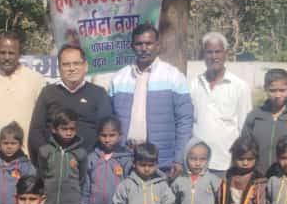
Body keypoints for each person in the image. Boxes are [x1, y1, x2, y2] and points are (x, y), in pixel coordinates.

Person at [108, 23, 194, 175]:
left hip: (160, 161)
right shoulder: (119, 78)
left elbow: (185, 121)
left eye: (148, 43)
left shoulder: (173, 76)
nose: (144, 48)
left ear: (158, 45)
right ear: (132, 46)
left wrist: (179, 158)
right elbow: (109, 119)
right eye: (139, 44)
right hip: (125, 158)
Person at [0, 32, 45, 164]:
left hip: (28, 159)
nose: (6, 57)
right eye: (2, 52)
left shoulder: (36, 80)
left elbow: (43, 122)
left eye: (11, 53)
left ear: (19, 53)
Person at [28, 44, 113, 156]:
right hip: (54, 165)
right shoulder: (48, 93)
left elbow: (107, 131)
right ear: (59, 68)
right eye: (66, 64)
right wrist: (48, 157)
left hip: (89, 165)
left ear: (85, 66)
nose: (72, 68)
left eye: (76, 63)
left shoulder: (99, 94)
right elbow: (36, 131)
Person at [190, 32, 251, 175]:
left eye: (218, 51)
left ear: (226, 53)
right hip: (198, 164)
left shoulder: (239, 86)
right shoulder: (194, 84)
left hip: (226, 163)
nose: (213, 56)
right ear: (203, 54)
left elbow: (245, 128)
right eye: (209, 52)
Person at [242, 69, 287, 177]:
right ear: (265, 89)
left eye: (282, 90)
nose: (277, 95)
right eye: (273, 90)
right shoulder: (255, 116)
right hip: (258, 177)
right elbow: (245, 146)